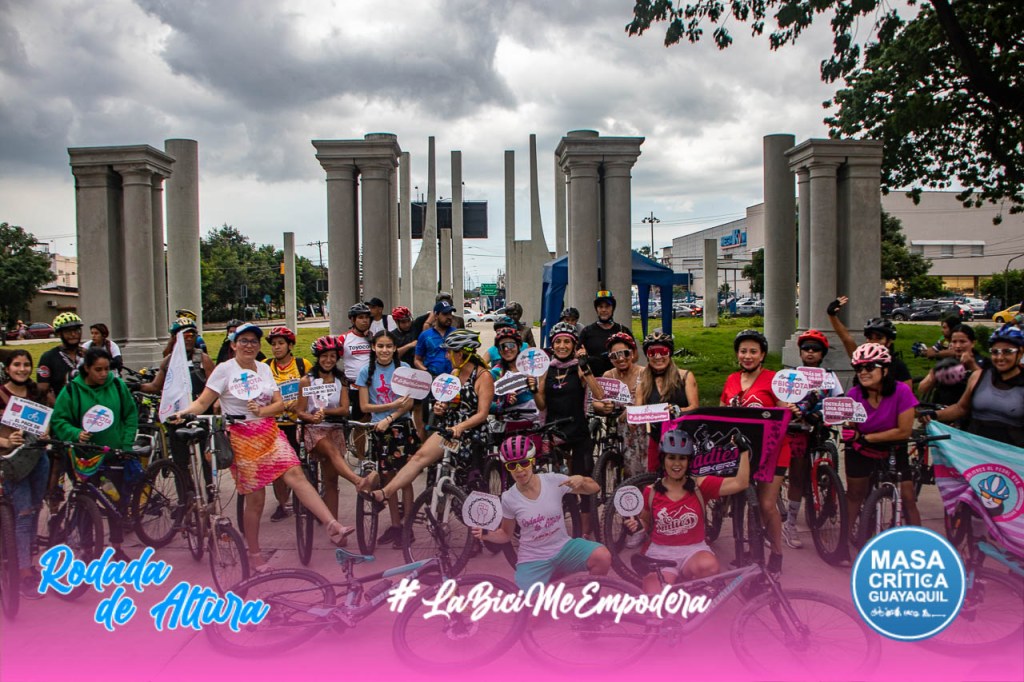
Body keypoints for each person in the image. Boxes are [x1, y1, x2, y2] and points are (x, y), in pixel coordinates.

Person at [169, 323, 354, 571]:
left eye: (253, 342)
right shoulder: (225, 370)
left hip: (268, 430)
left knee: (296, 474)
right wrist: (182, 413)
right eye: (243, 341)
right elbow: (202, 402)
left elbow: (278, 404)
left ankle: (332, 524)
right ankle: (254, 554)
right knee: (256, 499)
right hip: (241, 435)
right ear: (233, 344)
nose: (249, 346)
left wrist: (262, 410)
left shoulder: (264, 368)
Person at [470, 435, 610, 590]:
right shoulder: (509, 498)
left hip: (563, 548)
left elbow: (595, 488)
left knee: (602, 556)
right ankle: (548, 576)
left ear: (533, 462)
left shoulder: (553, 481)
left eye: (524, 463)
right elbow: (505, 534)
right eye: (512, 466)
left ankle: (592, 602)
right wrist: (485, 534)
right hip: (533, 558)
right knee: (531, 609)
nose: (519, 470)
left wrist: (581, 479)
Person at [372, 330, 494, 504]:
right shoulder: (454, 373)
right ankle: (385, 493)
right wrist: (440, 407)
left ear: (461, 354)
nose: (446, 355)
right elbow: (447, 401)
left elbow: (482, 414)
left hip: (470, 431)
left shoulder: (484, 377)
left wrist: (461, 427)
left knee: (467, 479)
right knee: (419, 458)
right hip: (449, 429)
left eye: (449, 351)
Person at [625, 427, 751, 594]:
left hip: (693, 550)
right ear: (663, 460)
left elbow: (740, 483)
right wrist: (637, 524)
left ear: (689, 461)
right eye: (671, 458)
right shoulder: (651, 491)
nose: (676, 464)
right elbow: (646, 521)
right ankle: (677, 583)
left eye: (682, 458)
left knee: (709, 567)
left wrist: (743, 452)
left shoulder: (700, 485)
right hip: (660, 552)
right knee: (654, 606)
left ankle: (688, 583)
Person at [50, 347, 138, 561]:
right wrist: (76, 433)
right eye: (98, 369)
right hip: (83, 458)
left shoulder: (117, 386)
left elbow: (130, 415)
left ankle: (116, 547)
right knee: (85, 502)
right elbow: (59, 420)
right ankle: (87, 548)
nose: (103, 374)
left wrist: (125, 445)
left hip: (113, 455)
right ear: (86, 368)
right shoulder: (72, 390)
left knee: (116, 501)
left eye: (107, 369)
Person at [719, 329, 792, 578]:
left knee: (766, 504)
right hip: (742, 452)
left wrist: (790, 409)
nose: (747, 356)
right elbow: (722, 413)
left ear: (762, 355)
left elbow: (785, 409)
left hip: (773, 450)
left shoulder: (774, 379)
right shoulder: (731, 380)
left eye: (753, 351)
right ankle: (746, 546)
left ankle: (778, 553)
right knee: (737, 498)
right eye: (743, 351)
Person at [845, 343, 920, 537]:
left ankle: (919, 542)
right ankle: (842, 543)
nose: (863, 372)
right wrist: (849, 431)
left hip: (893, 447)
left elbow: (904, 431)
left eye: (869, 367)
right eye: (858, 368)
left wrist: (868, 437)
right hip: (861, 450)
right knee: (854, 495)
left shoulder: (902, 391)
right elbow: (851, 428)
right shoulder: (854, 395)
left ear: (885, 370)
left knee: (908, 497)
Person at [539, 322, 604, 537]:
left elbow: (599, 394)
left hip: (577, 430)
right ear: (553, 345)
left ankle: (584, 532)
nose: (562, 346)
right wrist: (532, 389)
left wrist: (585, 367)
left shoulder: (578, 366)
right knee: (556, 485)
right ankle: (557, 526)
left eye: (567, 341)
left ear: (574, 345)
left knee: (581, 479)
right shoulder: (546, 369)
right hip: (554, 432)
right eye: (558, 342)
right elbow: (541, 404)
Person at [782, 329, 843, 549]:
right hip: (798, 430)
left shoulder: (830, 376)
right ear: (799, 352)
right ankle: (790, 524)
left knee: (821, 468)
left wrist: (825, 413)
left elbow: (840, 400)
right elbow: (781, 400)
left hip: (819, 428)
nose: (810, 352)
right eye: (806, 348)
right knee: (797, 475)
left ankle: (825, 494)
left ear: (822, 353)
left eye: (815, 349)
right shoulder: (791, 374)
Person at [296, 335, 365, 524]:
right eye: (324, 356)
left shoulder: (340, 380)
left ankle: (334, 525)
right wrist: (313, 417)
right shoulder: (307, 381)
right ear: (318, 357)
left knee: (331, 481)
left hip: (333, 427)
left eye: (333, 356)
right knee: (330, 449)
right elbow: (299, 411)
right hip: (313, 429)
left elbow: (344, 408)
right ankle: (357, 481)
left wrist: (324, 412)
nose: (328, 360)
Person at [356, 329, 416, 547]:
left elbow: (408, 404)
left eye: (389, 346)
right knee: (388, 477)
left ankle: (407, 525)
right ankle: (396, 525)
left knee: (405, 477)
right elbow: (364, 406)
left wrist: (390, 417)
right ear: (373, 347)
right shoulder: (365, 372)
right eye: (380, 346)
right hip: (378, 429)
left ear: (394, 348)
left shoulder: (404, 369)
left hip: (400, 427)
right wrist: (391, 406)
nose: (384, 350)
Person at [0, 350, 51, 599]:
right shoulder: (0, 394)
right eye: (16, 364)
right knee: (23, 514)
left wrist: (45, 433)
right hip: (11, 462)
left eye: (26, 364)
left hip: (38, 459)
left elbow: (48, 421)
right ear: (7, 368)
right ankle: (23, 572)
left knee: (34, 508)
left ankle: (26, 558)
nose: (22, 368)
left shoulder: (36, 393)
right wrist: (6, 441)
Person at [140, 317, 215, 471]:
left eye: (192, 335)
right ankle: (184, 489)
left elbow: (214, 386)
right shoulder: (168, 361)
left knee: (206, 457)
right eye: (183, 336)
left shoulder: (203, 359)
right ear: (174, 338)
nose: (188, 339)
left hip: (199, 414)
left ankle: (209, 489)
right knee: (180, 460)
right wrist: (136, 386)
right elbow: (155, 386)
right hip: (176, 415)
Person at [932, 324, 1024, 447]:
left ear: (1020, 352)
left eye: (1007, 352)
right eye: (995, 352)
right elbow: (961, 408)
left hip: (1012, 455)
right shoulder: (978, 376)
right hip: (976, 452)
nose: (1000, 357)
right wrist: (934, 415)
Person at [263, 326, 314, 522]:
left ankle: (305, 497)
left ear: (290, 345)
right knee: (278, 469)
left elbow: (314, 391)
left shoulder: (303, 364)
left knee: (300, 466)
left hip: (298, 423)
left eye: (281, 344)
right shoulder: (265, 366)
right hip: (276, 425)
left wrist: (300, 404)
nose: (276, 348)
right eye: (274, 344)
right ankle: (282, 504)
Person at [635, 331, 699, 472]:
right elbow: (637, 409)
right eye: (652, 353)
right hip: (656, 438)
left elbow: (695, 407)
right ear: (647, 356)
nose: (658, 357)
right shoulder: (643, 382)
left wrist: (678, 410)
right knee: (653, 475)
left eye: (662, 351)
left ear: (669, 353)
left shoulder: (685, 376)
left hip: (682, 437)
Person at [827, 296, 912, 388]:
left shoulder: (898, 366)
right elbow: (846, 338)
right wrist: (832, 315)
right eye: (869, 338)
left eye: (878, 338)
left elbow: (907, 394)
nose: (873, 342)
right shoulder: (861, 358)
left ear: (889, 341)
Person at [592, 332, 646, 477]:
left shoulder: (645, 373)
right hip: (616, 427)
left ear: (633, 353)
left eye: (625, 354)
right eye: (614, 356)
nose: (621, 358)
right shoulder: (608, 376)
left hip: (639, 429)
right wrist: (602, 407)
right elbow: (596, 401)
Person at [918, 324, 987, 408]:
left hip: (968, 414)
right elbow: (922, 389)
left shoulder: (984, 363)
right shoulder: (947, 362)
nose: (958, 346)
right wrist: (934, 373)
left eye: (962, 342)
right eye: (954, 342)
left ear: (973, 343)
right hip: (941, 412)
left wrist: (972, 366)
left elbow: (988, 390)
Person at [490, 326, 545, 425]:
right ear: (498, 350)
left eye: (511, 345)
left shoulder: (534, 368)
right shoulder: (495, 373)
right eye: (502, 346)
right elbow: (485, 405)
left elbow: (542, 405)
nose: (507, 349)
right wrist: (502, 402)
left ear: (519, 346)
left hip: (535, 424)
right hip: (508, 426)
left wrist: (534, 390)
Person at [579, 291, 634, 378]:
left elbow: (634, 356)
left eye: (607, 306)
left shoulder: (623, 330)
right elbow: (578, 354)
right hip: (594, 379)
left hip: (619, 379)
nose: (604, 310)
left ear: (613, 308)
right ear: (596, 309)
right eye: (600, 307)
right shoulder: (587, 331)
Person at [36, 312, 86, 403]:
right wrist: (58, 407)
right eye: (68, 331)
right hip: (62, 407)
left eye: (76, 330)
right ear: (59, 334)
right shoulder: (48, 357)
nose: (73, 334)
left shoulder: (88, 355)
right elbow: (43, 389)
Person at [414, 301, 456, 376]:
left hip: (454, 379)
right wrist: (426, 371)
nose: (449, 317)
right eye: (445, 314)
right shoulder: (425, 335)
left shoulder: (456, 334)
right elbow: (417, 360)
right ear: (436, 315)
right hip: (432, 378)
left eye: (450, 313)